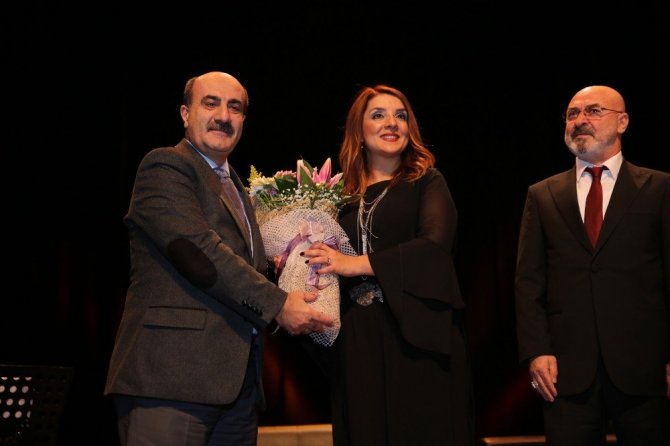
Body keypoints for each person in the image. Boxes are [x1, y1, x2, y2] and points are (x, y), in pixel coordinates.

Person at [104, 71, 334, 446]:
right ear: (185, 113)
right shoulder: (165, 167)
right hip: (172, 380)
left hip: (238, 390)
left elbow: (239, 269)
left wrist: (296, 272)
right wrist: (279, 304)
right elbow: (199, 255)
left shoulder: (237, 188)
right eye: (210, 103)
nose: (223, 116)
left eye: (235, 107)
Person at [302, 85, 475, 445]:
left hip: (417, 335)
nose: (391, 123)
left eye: (400, 116)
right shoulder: (339, 196)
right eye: (378, 115)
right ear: (359, 131)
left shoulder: (426, 182)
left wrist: (355, 264)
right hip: (357, 340)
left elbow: (434, 247)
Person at [515, 85, 670, 445]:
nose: (580, 120)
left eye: (594, 111)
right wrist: (536, 350)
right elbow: (528, 281)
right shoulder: (542, 194)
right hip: (567, 371)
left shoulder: (660, 188)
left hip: (644, 368)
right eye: (573, 113)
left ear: (623, 122)